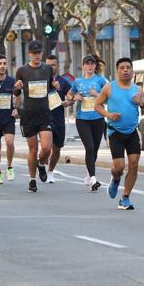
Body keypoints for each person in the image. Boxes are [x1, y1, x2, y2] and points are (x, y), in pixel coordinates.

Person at [95, 57, 144, 210]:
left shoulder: (138, 90)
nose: (125, 70)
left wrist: (141, 104)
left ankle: (125, 197)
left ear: (132, 71)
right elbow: (97, 105)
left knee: (134, 164)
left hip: (132, 132)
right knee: (119, 167)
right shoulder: (109, 88)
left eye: (128, 67)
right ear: (117, 71)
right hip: (115, 132)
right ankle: (115, 178)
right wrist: (108, 115)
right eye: (122, 68)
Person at [14, 40, 60, 193]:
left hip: (44, 114)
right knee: (33, 149)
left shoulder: (47, 69)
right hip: (28, 114)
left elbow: (51, 86)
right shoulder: (22, 70)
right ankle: (32, 180)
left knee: (46, 148)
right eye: (34, 53)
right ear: (29, 54)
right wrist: (17, 89)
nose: (37, 56)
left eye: (39, 53)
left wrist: (56, 86)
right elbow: (16, 92)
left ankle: (41, 163)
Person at [67, 55, 108, 191]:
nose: (90, 66)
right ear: (83, 66)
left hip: (98, 118)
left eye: (92, 64)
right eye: (87, 64)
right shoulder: (78, 81)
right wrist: (74, 97)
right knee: (89, 147)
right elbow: (68, 95)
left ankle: (89, 173)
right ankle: (93, 179)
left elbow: (109, 98)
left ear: (95, 66)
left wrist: (97, 95)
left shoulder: (101, 80)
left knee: (94, 149)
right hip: (82, 119)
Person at [0, 55, 18, 184]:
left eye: (4, 63)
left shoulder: (12, 81)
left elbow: (18, 96)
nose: (2, 66)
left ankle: (9, 167)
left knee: (9, 142)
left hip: (8, 117)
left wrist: (16, 108)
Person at [45, 55, 72, 183]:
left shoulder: (63, 82)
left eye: (53, 65)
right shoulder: (41, 80)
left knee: (56, 148)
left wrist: (68, 102)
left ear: (58, 66)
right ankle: (41, 162)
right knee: (47, 147)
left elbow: (71, 97)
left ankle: (50, 171)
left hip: (59, 119)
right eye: (48, 65)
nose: (51, 67)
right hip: (44, 119)